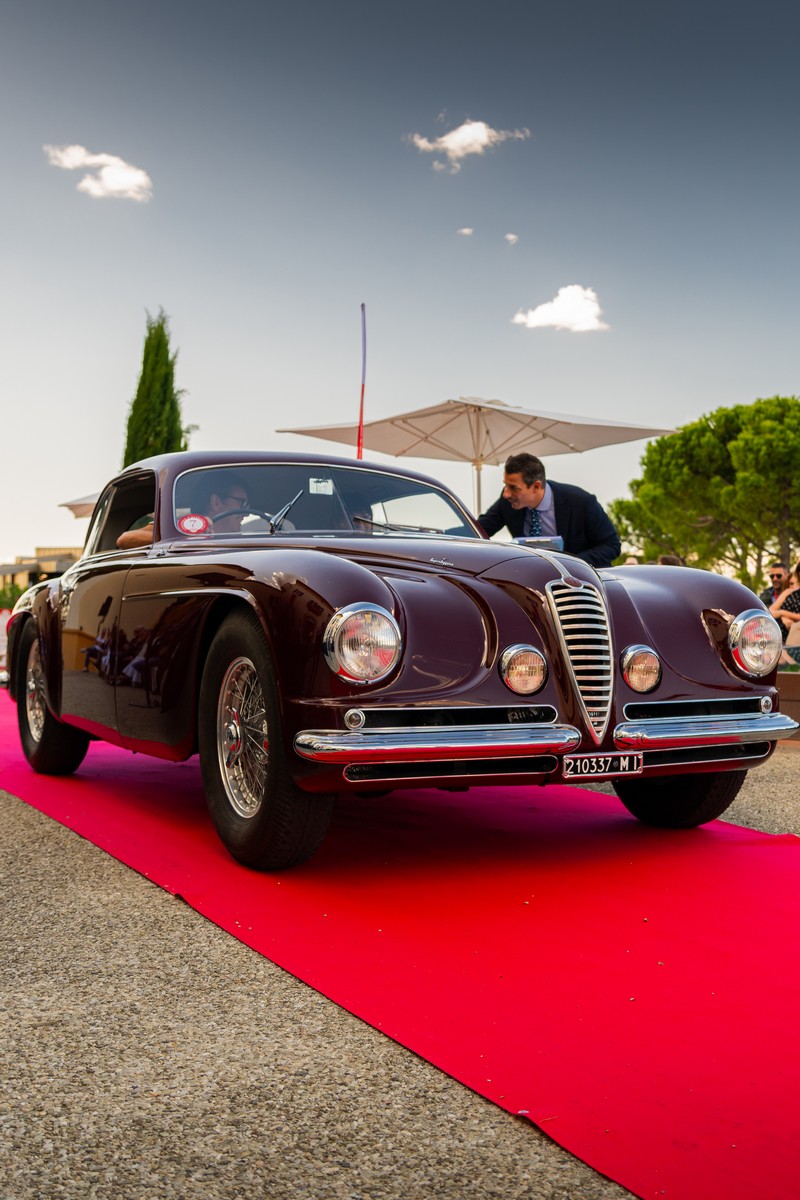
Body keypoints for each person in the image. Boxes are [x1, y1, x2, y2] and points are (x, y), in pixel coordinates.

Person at [477, 452, 621, 568]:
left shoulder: (582, 502)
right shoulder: (507, 502)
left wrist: (572, 564)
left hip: (581, 583)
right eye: (506, 485)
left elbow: (611, 546)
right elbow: (478, 531)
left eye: (514, 488)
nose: (506, 494)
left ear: (536, 487)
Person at [116, 472, 250, 549]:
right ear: (216, 502)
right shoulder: (178, 527)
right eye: (241, 502)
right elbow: (125, 539)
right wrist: (186, 535)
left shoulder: (246, 543)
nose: (247, 513)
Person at [771, 562, 800, 667]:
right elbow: (769, 611)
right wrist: (782, 616)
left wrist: (783, 613)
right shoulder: (789, 593)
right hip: (779, 633)